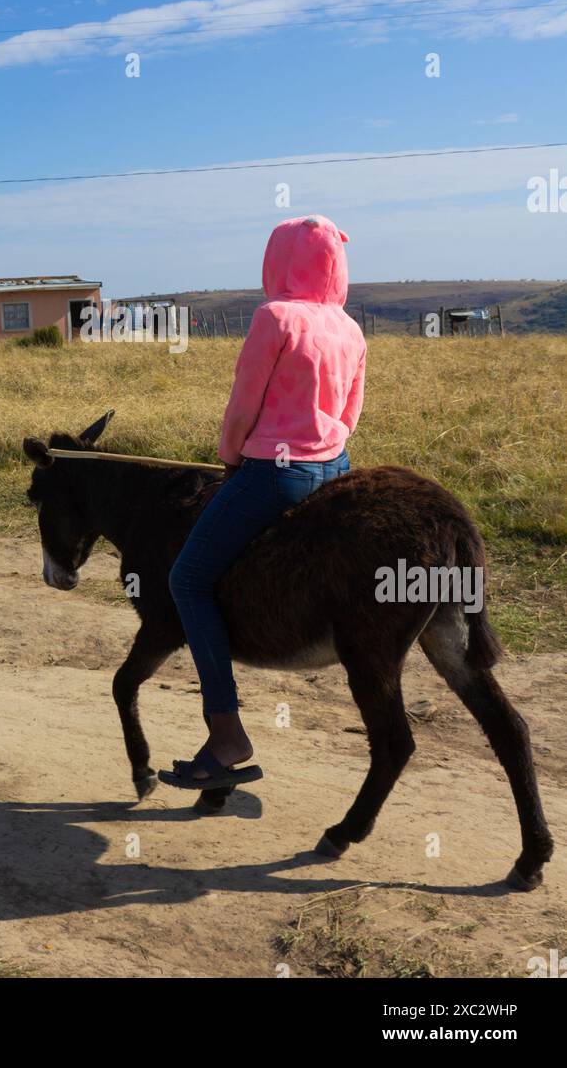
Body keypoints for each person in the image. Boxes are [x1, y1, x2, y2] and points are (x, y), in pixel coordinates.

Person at [159, 214, 367, 791]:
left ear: (278, 261)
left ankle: (226, 733)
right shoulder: (350, 328)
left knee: (188, 580)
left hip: (275, 474)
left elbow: (244, 402)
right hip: (336, 468)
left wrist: (231, 455)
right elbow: (350, 414)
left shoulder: (273, 317)